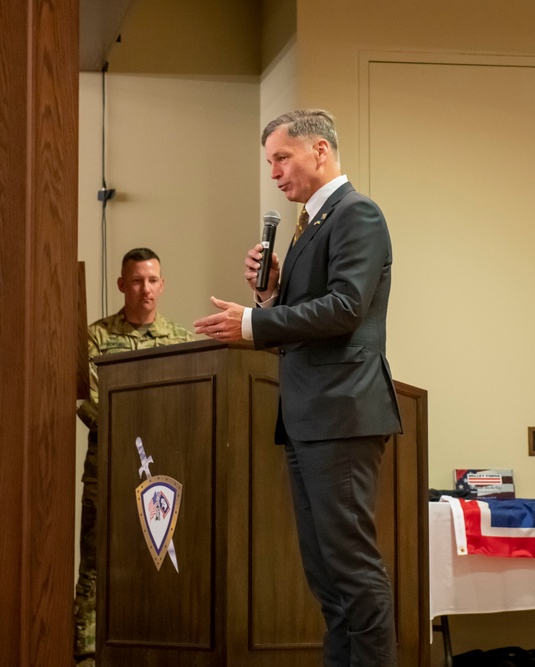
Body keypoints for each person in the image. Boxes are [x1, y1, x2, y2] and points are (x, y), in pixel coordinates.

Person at [193, 109, 402, 666]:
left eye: (282, 158)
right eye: (270, 163)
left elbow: (345, 308)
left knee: (353, 572)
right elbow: (316, 312)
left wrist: (254, 324)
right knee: (327, 579)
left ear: (320, 152)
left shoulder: (357, 214)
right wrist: (272, 296)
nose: (275, 173)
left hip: (343, 414)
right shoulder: (313, 223)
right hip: (312, 415)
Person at [74, 247, 195, 666]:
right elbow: (88, 402)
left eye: (153, 280)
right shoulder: (95, 338)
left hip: (164, 474)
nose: (146, 289)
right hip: (108, 469)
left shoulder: (181, 341)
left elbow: (190, 403)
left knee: (162, 557)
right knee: (96, 559)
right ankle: (87, 651)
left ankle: (159, 642)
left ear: (163, 285)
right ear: (123, 285)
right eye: (137, 281)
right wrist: (135, 432)